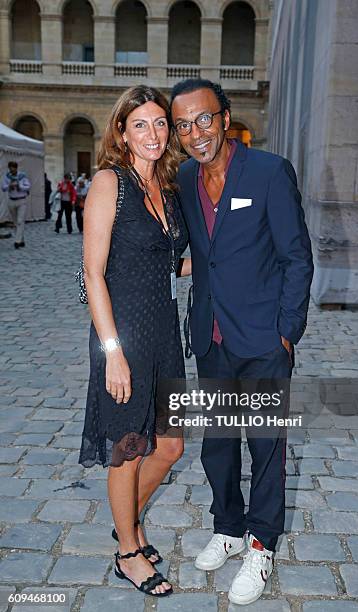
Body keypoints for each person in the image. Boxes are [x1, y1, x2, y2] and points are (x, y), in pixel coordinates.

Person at [171, 79, 314, 606]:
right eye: (183, 124)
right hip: (210, 337)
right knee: (218, 445)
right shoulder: (185, 178)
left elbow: (296, 256)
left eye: (204, 118)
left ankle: (261, 543)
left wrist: (287, 330)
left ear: (225, 117)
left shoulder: (269, 172)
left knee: (266, 446)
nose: (195, 132)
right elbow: (195, 254)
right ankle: (227, 526)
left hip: (262, 339)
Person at [78, 85, 190, 597]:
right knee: (127, 448)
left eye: (160, 123)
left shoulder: (167, 189)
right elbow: (92, 273)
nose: (153, 133)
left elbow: (172, 262)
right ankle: (128, 550)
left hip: (165, 331)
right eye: (140, 124)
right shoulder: (110, 183)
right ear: (121, 132)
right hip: (124, 336)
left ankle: (129, 523)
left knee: (169, 445)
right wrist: (112, 353)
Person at [1, 160, 31, 248]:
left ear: (16, 168)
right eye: (10, 168)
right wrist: (9, 186)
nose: (11, 170)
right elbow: (3, 187)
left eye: (13, 168)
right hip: (11, 200)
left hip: (21, 200)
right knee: (15, 222)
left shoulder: (22, 176)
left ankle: (17, 242)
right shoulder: (7, 176)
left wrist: (20, 186)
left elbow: (28, 186)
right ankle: (21, 240)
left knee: (20, 221)